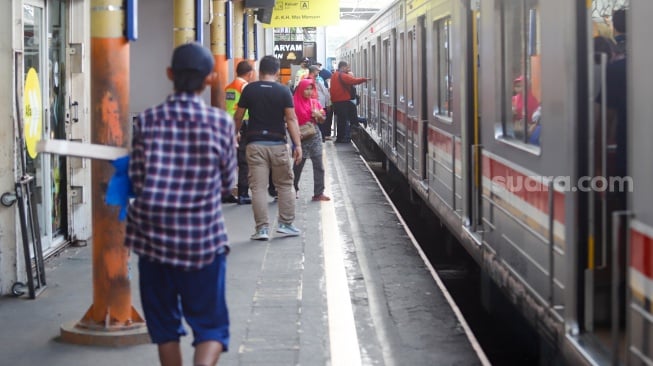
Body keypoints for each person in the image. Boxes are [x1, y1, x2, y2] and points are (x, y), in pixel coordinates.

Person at [126, 42, 236, 366]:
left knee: (165, 328)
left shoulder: (146, 121)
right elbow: (228, 183)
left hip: (153, 241)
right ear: (210, 79)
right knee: (212, 327)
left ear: (170, 74)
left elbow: (137, 178)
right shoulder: (220, 124)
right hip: (202, 241)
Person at [233, 55, 303, 241]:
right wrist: (297, 144)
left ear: (260, 71)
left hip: (255, 144)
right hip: (278, 144)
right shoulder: (283, 91)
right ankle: (286, 224)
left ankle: (262, 229)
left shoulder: (250, 90)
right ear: (277, 71)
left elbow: (238, 116)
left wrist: (235, 133)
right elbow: (291, 119)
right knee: (285, 185)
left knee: (258, 188)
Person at [292, 78, 330, 201]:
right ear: (300, 90)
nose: (308, 92)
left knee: (319, 164)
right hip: (300, 137)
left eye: (310, 89)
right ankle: (293, 189)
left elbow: (323, 119)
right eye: (306, 89)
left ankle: (319, 193)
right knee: (298, 165)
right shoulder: (293, 103)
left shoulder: (314, 103)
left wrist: (318, 115)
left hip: (314, 135)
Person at [224, 60, 256, 204]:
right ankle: (243, 193)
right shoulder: (244, 87)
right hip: (242, 123)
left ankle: (226, 190)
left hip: (229, 122)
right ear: (249, 73)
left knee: (231, 158)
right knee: (243, 160)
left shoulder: (230, 86)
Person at [330, 61, 370, 143]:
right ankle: (345, 135)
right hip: (342, 101)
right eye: (347, 67)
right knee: (343, 119)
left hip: (337, 101)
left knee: (344, 117)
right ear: (343, 67)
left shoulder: (334, 75)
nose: (348, 69)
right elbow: (353, 81)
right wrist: (364, 79)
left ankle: (352, 127)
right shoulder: (342, 75)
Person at [307, 65, 331, 141]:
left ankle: (314, 136)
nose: (319, 72)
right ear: (314, 71)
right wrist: (328, 104)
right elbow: (325, 92)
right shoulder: (318, 80)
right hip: (319, 104)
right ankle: (321, 137)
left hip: (310, 104)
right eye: (317, 71)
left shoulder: (305, 79)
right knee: (321, 122)